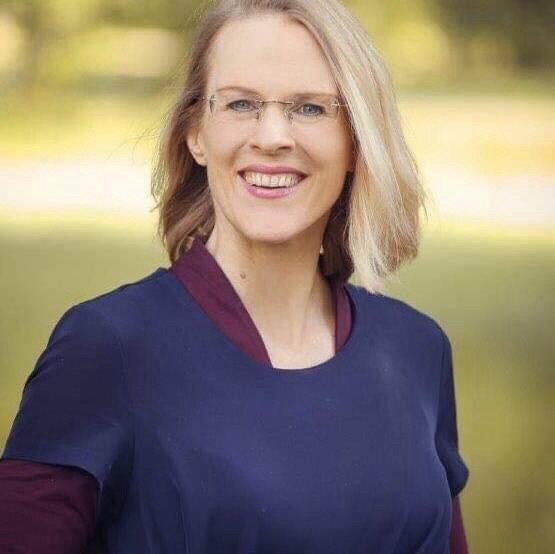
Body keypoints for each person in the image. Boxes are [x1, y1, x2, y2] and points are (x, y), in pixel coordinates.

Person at [0, 0, 470, 552]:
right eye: (241, 103)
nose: (272, 136)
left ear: (356, 141)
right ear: (196, 133)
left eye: (310, 108)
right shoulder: (106, 349)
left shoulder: (418, 350)